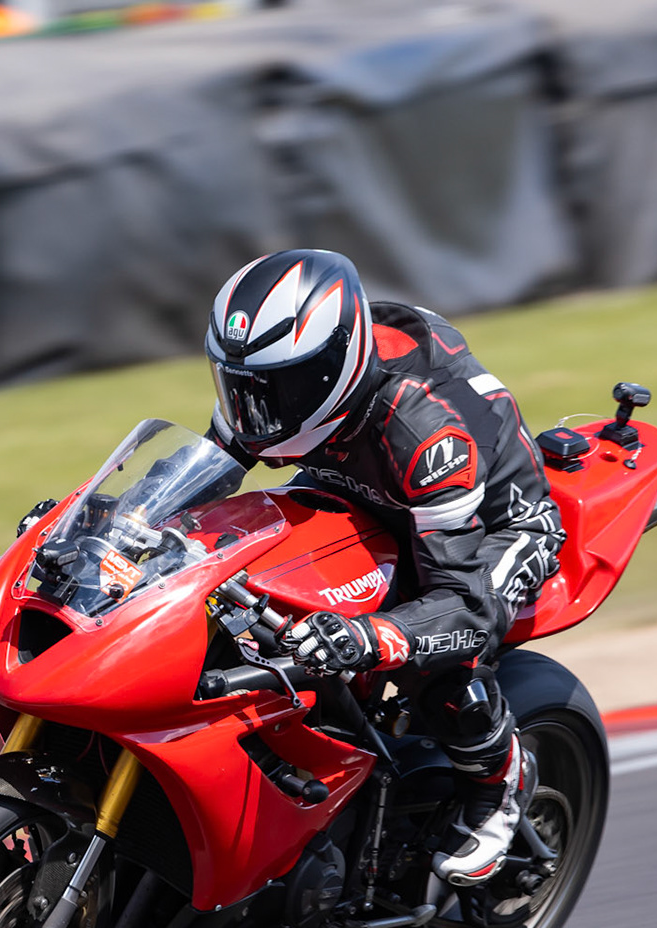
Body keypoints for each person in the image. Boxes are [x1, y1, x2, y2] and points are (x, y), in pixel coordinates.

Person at [205, 248, 565, 885]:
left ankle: (499, 782)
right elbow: (201, 478)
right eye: (240, 386)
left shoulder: (426, 433)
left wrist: (370, 636)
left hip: (493, 525)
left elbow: (462, 600)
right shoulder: (272, 393)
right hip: (364, 488)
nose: (254, 409)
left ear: (332, 368)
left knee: (434, 651)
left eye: (275, 388)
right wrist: (108, 523)